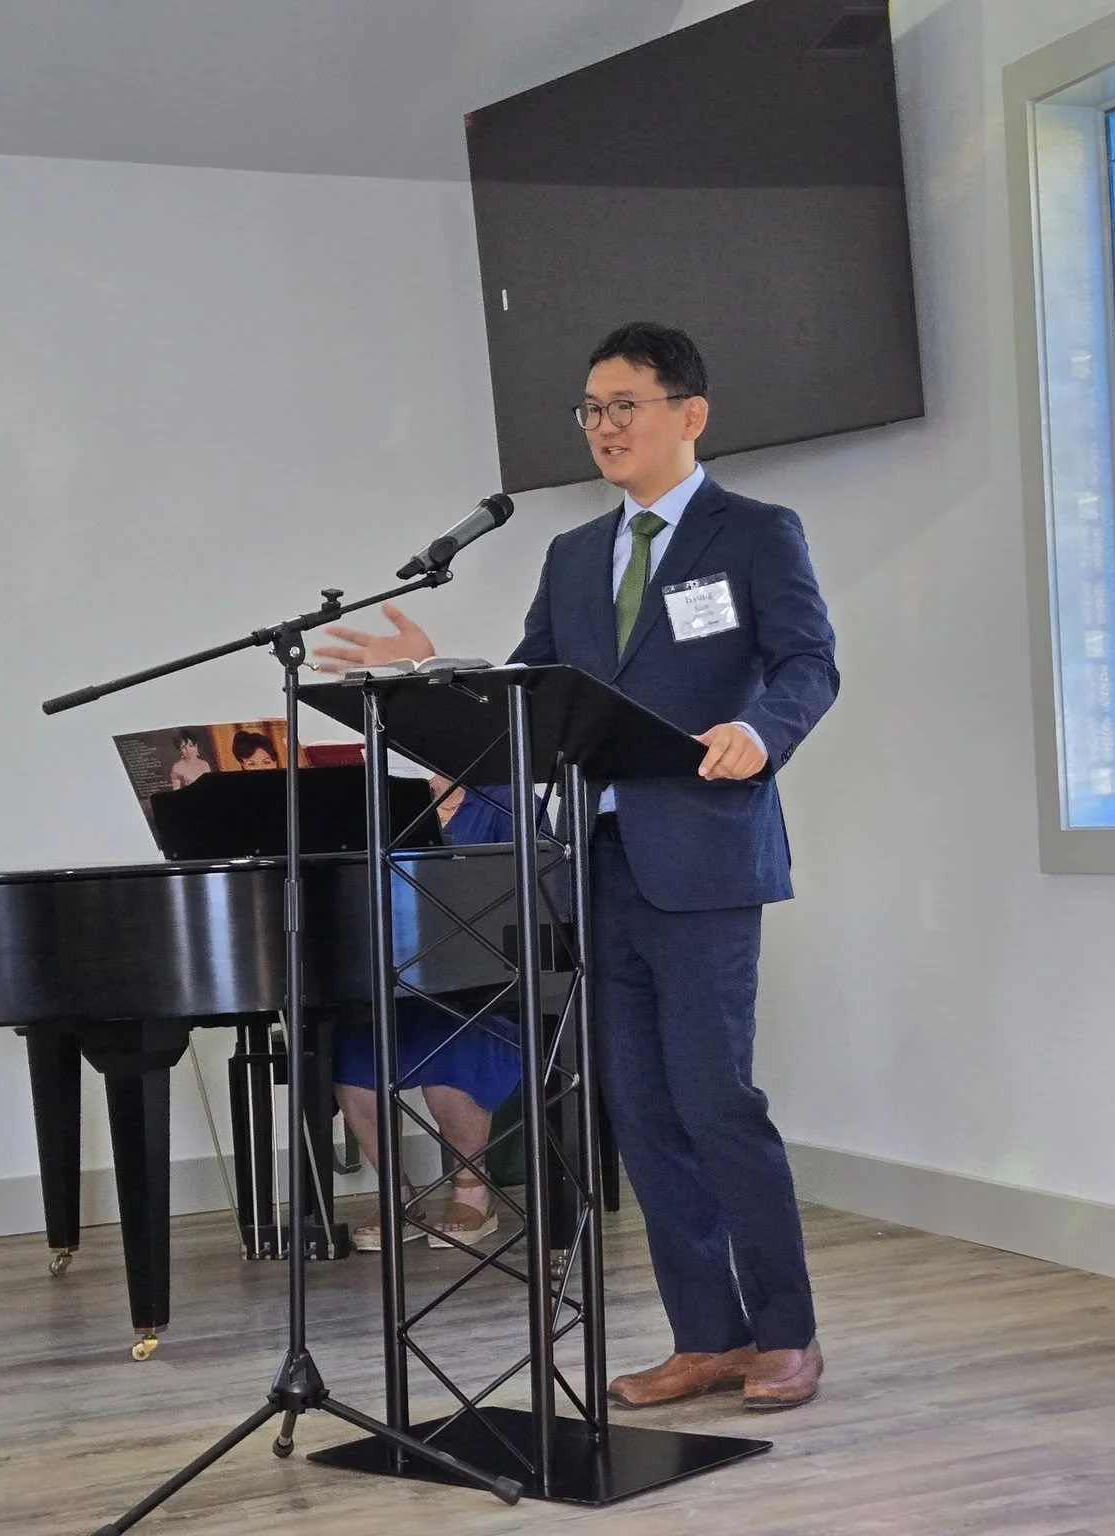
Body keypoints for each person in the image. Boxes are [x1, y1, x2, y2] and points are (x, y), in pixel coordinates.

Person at [317, 321, 838, 1410]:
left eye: (623, 406)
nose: (603, 427)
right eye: (590, 411)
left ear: (686, 414)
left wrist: (761, 731)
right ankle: (707, 1336)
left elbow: (805, 663)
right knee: (639, 1110)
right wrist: (433, 680)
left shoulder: (753, 534)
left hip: (702, 859)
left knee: (715, 1102)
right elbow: (528, 692)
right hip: (589, 865)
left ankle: (784, 1333)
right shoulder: (572, 557)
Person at [329, 780, 523, 1251]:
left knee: (452, 1051)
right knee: (353, 1057)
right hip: (401, 986)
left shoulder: (504, 799)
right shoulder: (386, 799)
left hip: (486, 991)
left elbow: (535, 889)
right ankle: (398, 1196)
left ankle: (474, 1193)